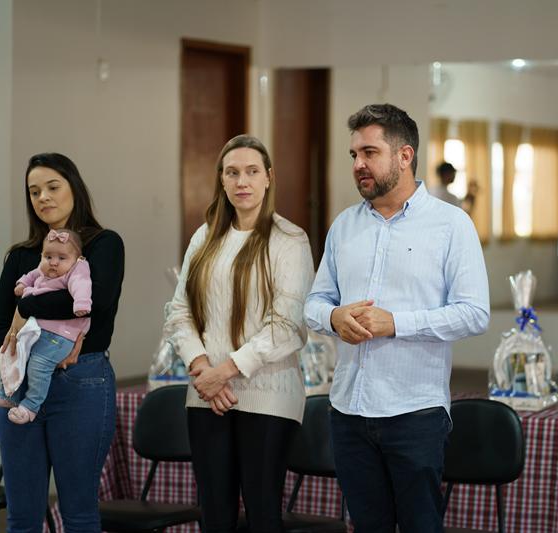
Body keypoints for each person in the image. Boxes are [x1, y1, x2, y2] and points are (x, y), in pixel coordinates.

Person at [304, 104, 490, 533]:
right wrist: (333, 317)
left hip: (415, 413)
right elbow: (314, 303)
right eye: (354, 155)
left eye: (369, 152)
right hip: (348, 411)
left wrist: (397, 324)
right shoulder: (344, 226)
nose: (358, 164)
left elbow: (475, 313)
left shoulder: (451, 225)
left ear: (405, 156)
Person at [164, 134, 315, 533]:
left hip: (268, 395)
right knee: (215, 516)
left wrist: (224, 372)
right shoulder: (204, 237)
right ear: (221, 179)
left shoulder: (290, 240)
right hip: (206, 395)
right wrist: (203, 369)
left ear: (268, 178)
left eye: (251, 171)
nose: (242, 181)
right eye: (232, 172)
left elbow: (287, 325)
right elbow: (179, 312)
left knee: (263, 515)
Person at [0, 152, 124, 531]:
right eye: (34, 192)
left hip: (81, 382)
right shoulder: (21, 256)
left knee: (79, 514)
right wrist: (53, 321)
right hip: (20, 384)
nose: (43, 197)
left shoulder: (104, 244)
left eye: (52, 187)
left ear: (73, 188)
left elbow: (93, 304)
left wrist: (26, 307)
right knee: (21, 517)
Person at [0, 228, 92, 425]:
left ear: (77, 259)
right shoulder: (44, 270)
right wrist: (22, 284)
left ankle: (30, 407)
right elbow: (31, 275)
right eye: (48, 256)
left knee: (39, 366)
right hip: (39, 329)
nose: (53, 262)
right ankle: (9, 394)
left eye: (61, 258)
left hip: (61, 334)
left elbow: (81, 284)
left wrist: (81, 303)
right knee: (17, 354)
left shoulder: (77, 269)